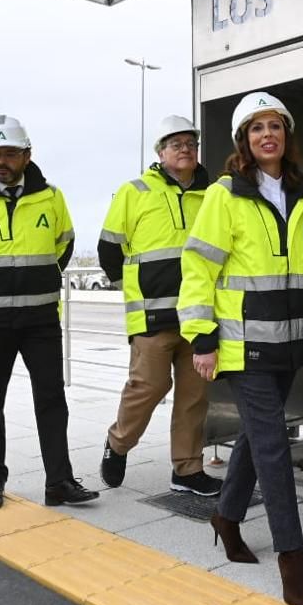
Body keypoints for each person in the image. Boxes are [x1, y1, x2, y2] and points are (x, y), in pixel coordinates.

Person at [179, 91, 303, 605]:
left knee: (257, 438)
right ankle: (293, 559)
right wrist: (201, 336)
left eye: (276, 126)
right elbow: (198, 267)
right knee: (274, 450)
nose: (269, 135)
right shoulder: (225, 195)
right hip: (242, 347)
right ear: (244, 139)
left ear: (286, 136)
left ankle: (226, 516)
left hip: (288, 342)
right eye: (258, 127)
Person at [0, 115, 97, 511]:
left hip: (40, 320)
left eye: (10, 153)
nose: (1, 161)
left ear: (27, 155)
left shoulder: (51, 197)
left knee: (51, 399)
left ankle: (59, 481)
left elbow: (64, 246)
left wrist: (34, 280)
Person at [95, 115, 219, 497]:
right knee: (147, 387)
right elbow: (108, 251)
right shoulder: (134, 192)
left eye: (190, 143)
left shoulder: (214, 194)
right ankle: (118, 443)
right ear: (160, 152)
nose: (185, 149)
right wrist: (134, 290)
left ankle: (186, 469)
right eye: (176, 144)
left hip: (198, 317)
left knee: (194, 397)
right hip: (152, 316)